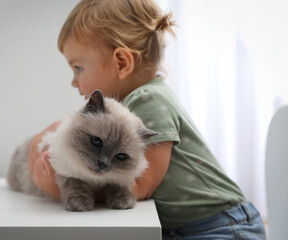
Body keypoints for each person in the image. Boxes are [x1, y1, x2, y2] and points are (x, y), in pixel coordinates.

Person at [28, 0, 267, 239]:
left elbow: (138, 187)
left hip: (221, 224)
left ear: (122, 62)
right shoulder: (128, 109)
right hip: (187, 228)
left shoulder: (147, 100)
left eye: (78, 68)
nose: (74, 81)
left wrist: (59, 186)